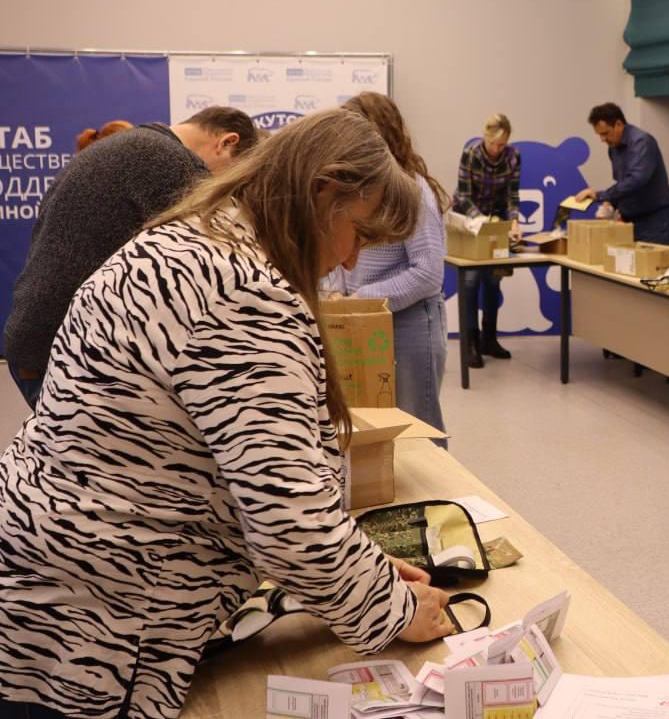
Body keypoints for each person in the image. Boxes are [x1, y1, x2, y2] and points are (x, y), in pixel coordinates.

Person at [0, 110, 454, 719]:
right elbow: (291, 525)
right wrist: (393, 609)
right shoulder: (245, 292)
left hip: (51, 573)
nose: (350, 261)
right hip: (102, 617)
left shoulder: (190, 239)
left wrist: (361, 567)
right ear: (325, 192)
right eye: (359, 233)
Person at [4, 106, 258, 410]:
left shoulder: (129, 146)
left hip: (38, 337)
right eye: (231, 173)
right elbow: (224, 258)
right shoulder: (173, 164)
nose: (223, 183)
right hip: (69, 351)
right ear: (227, 142)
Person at [338, 92, 450, 436]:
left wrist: (363, 298)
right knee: (371, 423)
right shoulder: (359, 188)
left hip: (409, 322)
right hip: (364, 317)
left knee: (418, 427)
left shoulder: (412, 191)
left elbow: (428, 273)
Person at [453, 113, 522, 368]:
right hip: (470, 220)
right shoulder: (471, 154)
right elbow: (463, 196)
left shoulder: (514, 157)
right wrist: (481, 219)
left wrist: (514, 221)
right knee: (471, 280)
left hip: (495, 222)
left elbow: (512, 196)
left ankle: (489, 338)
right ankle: (470, 342)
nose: (497, 149)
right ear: (485, 137)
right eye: (493, 143)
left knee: (494, 279)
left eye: (502, 144)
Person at [576, 103, 669, 245]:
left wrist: (601, 195)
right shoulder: (613, 148)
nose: (602, 139)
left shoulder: (642, 142)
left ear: (618, 124)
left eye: (605, 133)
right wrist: (610, 204)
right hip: (631, 221)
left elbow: (637, 180)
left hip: (656, 223)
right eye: (599, 135)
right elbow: (622, 183)